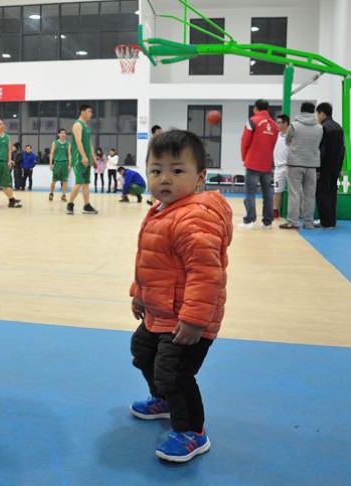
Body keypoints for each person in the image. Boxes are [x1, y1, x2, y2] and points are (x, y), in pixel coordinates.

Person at [129, 129, 233, 463]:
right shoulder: (163, 209)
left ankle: (192, 431)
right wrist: (139, 294)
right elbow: (153, 262)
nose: (164, 178)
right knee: (143, 351)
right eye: (156, 170)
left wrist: (193, 320)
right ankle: (164, 400)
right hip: (160, 311)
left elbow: (206, 274)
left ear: (200, 178)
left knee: (174, 371)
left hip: (189, 319)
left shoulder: (195, 218)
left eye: (177, 170)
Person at [280, 102, 323, 230]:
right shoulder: (319, 128)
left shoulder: (294, 126)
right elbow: (319, 142)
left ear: (301, 110)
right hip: (312, 165)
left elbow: (287, 141)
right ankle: (308, 222)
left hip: (295, 164)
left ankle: (292, 222)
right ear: (313, 111)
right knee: (310, 195)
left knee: (294, 194)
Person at [239, 99, 278, 228]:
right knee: (268, 193)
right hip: (267, 164)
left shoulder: (252, 121)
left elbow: (245, 141)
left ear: (255, 108)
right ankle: (267, 222)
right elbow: (273, 144)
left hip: (253, 163)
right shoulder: (274, 125)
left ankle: (250, 220)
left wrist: (245, 158)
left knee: (250, 192)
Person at [316, 102, 345, 229]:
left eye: (317, 114)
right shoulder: (339, 128)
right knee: (332, 193)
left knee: (322, 194)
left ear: (322, 114)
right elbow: (342, 150)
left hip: (324, 167)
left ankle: (325, 221)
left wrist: (318, 167)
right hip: (335, 167)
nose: (317, 117)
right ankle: (331, 220)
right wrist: (339, 167)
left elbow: (322, 149)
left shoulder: (323, 128)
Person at [66, 105, 99, 215]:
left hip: (87, 159)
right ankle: (70, 204)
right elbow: (78, 141)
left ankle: (86, 205)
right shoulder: (77, 125)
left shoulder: (85, 126)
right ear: (82, 112)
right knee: (79, 182)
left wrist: (93, 158)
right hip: (79, 159)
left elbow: (89, 143)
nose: (91, 114)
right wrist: (84, 157)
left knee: (86, 183)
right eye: (89, 111)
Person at [272, 115, 290, 219]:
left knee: (294, 192)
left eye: (279, 122)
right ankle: (275, 211)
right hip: (278, 168)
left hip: (291, 167)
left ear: (285, 123)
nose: (276, 124)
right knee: (277, 190)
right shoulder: (275, 136)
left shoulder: (292, 136)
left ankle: (295, 213)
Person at [49, 128, 71, 202]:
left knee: (64, 181)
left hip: (65, 163)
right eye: (62, 133)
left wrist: (69, 164)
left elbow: (69, 154)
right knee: (54, 180)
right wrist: (50, 163)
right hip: (57, 163)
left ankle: (63, 195)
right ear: (58, 134)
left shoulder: (68, 143)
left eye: (64, 133)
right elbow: (52, 153)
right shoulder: (55, 143)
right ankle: (51, 193)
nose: (63, 134)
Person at [145, 125, 163, 206]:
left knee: (158, 183)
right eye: (159, 132)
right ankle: (153, 200)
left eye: (161, 131)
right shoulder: (153, 142)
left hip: (159, 165)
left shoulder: (160, 142)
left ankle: (153, 200)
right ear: (153, 133)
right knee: (156, 182)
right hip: (154, 165)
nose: (161, 133)